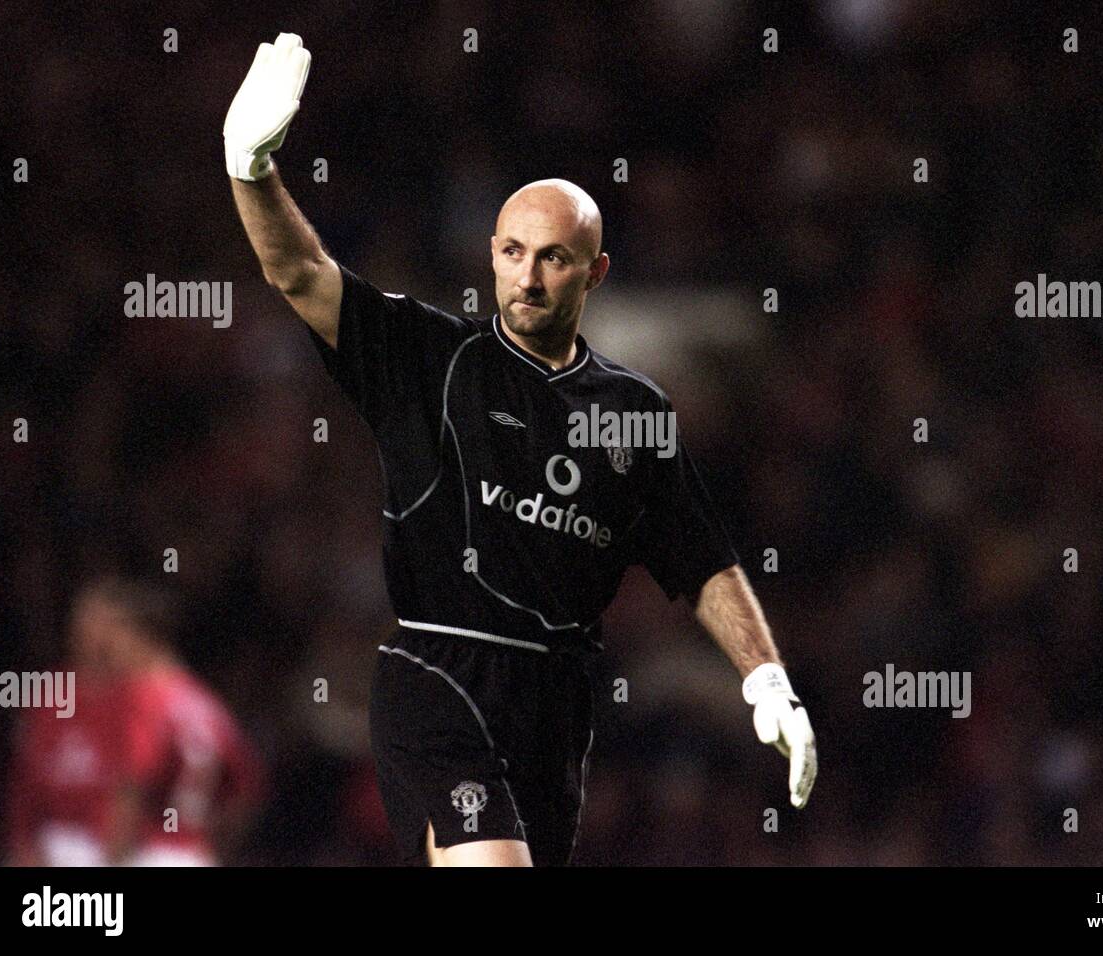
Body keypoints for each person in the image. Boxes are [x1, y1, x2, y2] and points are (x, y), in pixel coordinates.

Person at [225, 33, 817, 867]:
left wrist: (765, 679)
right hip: (441, 677)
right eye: (512, 253)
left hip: (557, 708)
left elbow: (702, 556)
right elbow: (302, 274)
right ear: (490, 258)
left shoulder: (632, 411)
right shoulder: (430, 358)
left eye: (553, 258)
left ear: (596, 272)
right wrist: (250, 168)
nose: (529, 278)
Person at [8, 576, 263, 866]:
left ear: (141, 637)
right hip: (192, 854)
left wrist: (111, 861)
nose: (108, 645)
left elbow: (132, 787)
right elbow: (244, 791)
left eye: (115, 634)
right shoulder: (203, 702)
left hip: (143, 852)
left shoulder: (144, 700)